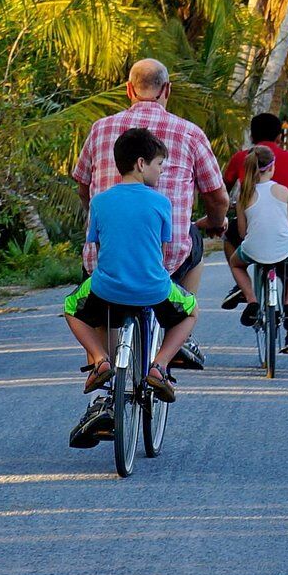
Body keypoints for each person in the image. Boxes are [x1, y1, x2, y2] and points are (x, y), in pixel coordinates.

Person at [72, 59, 226, 369]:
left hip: (106, 264)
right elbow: (217, 197)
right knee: (192, 240)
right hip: (161, 266)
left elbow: (83, 186)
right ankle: (177, 333)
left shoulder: (101, 128)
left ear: (129, 90)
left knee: (92, 300)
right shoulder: (189, 133)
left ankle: (101, 366)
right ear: (167, 89)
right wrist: (214, 222)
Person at [64, 128, 201, 446]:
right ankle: (160, 366)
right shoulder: (161, 203)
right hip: (153, 288)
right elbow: (163, 250)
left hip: (107, 289)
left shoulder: (100, 201)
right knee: (191, 310)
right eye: (159, 165)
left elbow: (96, 246)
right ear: (141, 163)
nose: (161, 171)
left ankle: (100, 360)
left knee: (72, 308)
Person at [221, 111, 288, 310]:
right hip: (285, 234)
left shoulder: (240, 159)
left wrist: (232, 209)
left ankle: (242, 287)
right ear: (279, 137)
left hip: (250, 232)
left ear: (252, 137)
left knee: (229, 239)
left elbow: (222, 193)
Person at [229, 143, 288, 356]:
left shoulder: (244, 195)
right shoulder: (283, 191)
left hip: (253, 249)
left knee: (235, 263)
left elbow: (242, 232)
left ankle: (252, 300)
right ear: (272, 167)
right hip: (284, 249)